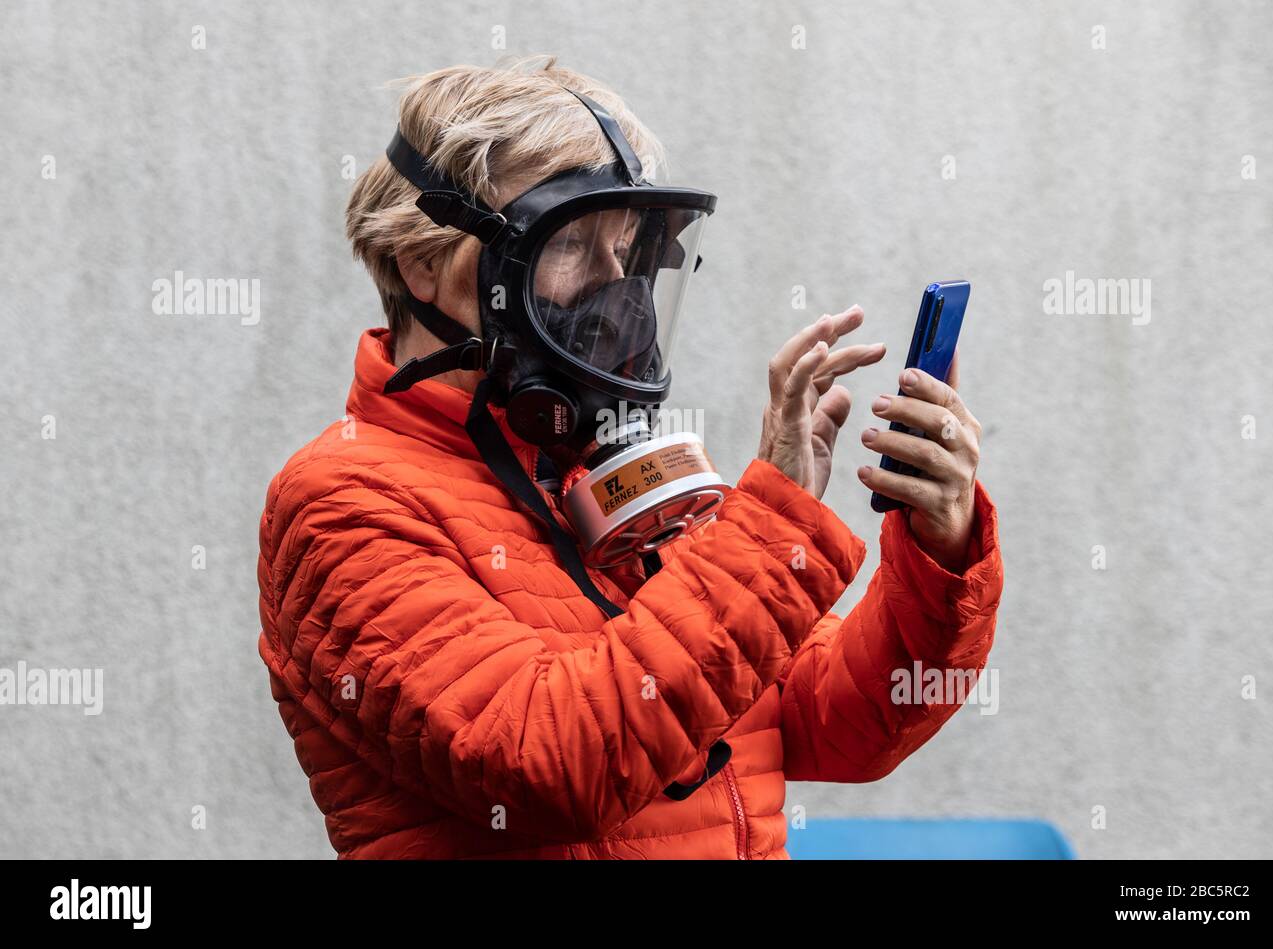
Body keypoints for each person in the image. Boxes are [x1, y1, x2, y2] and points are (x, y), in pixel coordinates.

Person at [256, 55, 1003, 859]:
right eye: (574, 242)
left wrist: (939, 544)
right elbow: (552, 764)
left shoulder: (596, 470)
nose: (618, 286)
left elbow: (842, 724)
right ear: (425, 265)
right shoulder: (341, 502)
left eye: (625, 249)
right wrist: (770, 522)